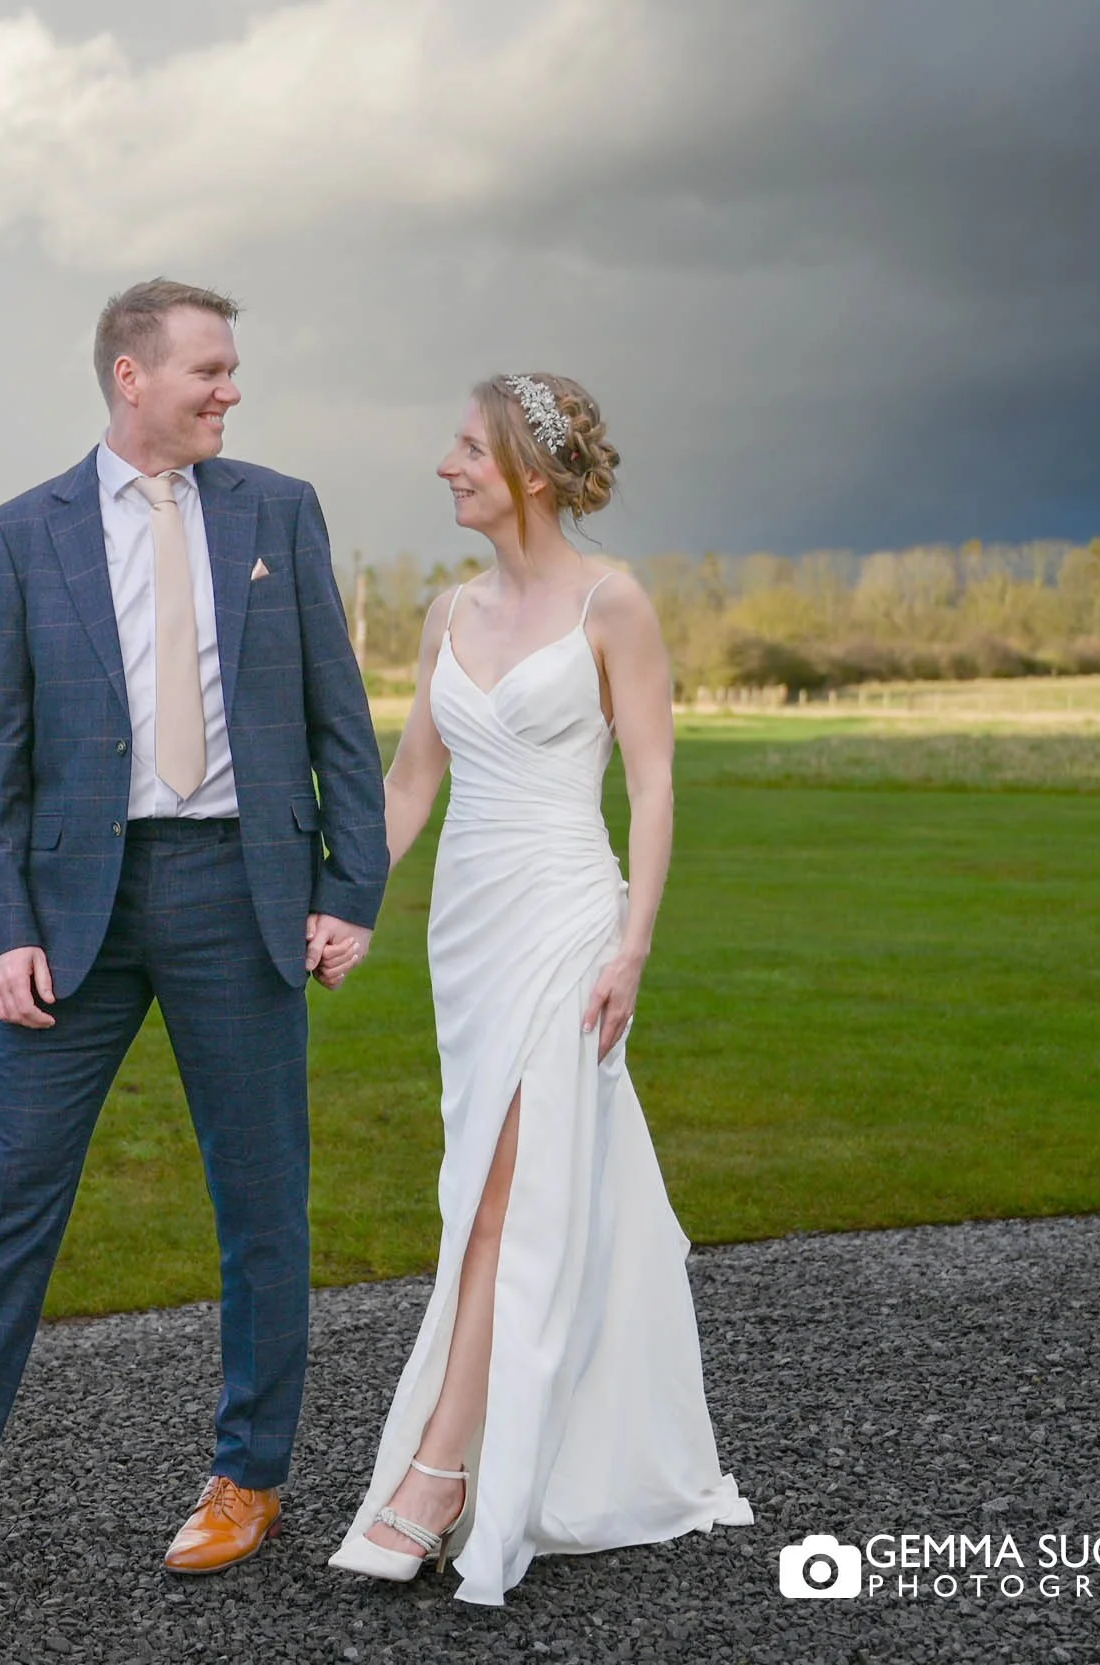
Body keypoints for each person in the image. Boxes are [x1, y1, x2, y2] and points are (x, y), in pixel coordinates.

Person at [0, 279, 388, 1577]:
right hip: (73, 913)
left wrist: (346, 889)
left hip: (239, 895)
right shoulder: (23, 531)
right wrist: (3, 928)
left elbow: (337, 726)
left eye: (235, 369)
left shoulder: (282, 512)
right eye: (209, 368)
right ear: (131, 378)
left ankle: (248, 1478)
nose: (231, 389)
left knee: (261, 1203)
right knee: (11, 1200)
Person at [326, 374, 754, 1602]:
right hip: (469, 938)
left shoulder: (615, 605)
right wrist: (354, 901)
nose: (444, 465)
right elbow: (412, 781)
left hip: (570, 921)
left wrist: (632, 946)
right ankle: (542, 1443)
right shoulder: (445, 609)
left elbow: (657, 789)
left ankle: (439, 1477)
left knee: (506, 1199)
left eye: (465, 448)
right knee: (487, 1191)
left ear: (528, 471)